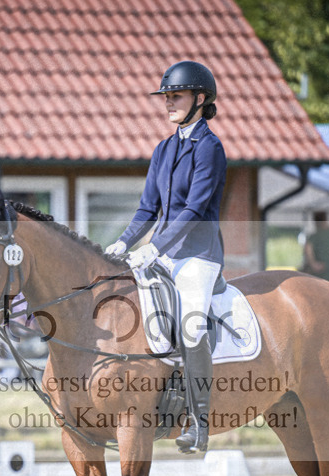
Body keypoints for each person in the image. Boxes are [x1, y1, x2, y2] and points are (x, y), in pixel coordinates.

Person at [104, 60, 226, 453]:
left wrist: (154, 248)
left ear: (200, 99)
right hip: (163, 253)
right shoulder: (164, 149)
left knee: (191, 326)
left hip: (198, 255)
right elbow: (147, 209)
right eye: (166, 97)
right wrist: (122, 244)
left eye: (176, 96)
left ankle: (200, 424)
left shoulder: (210, 148)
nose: (168, 103)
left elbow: (193, 210)